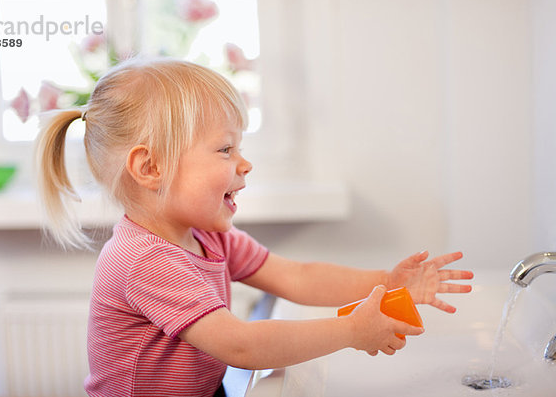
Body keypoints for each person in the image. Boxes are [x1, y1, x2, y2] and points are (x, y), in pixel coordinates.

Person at [35, 58, 474, 397]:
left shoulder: (208, 235)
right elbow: (241, 346)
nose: (245, 163)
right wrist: (351, 332)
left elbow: (296, 277)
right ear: (150, 167)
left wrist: (385, 281)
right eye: (225, 149)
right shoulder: (145, 260)